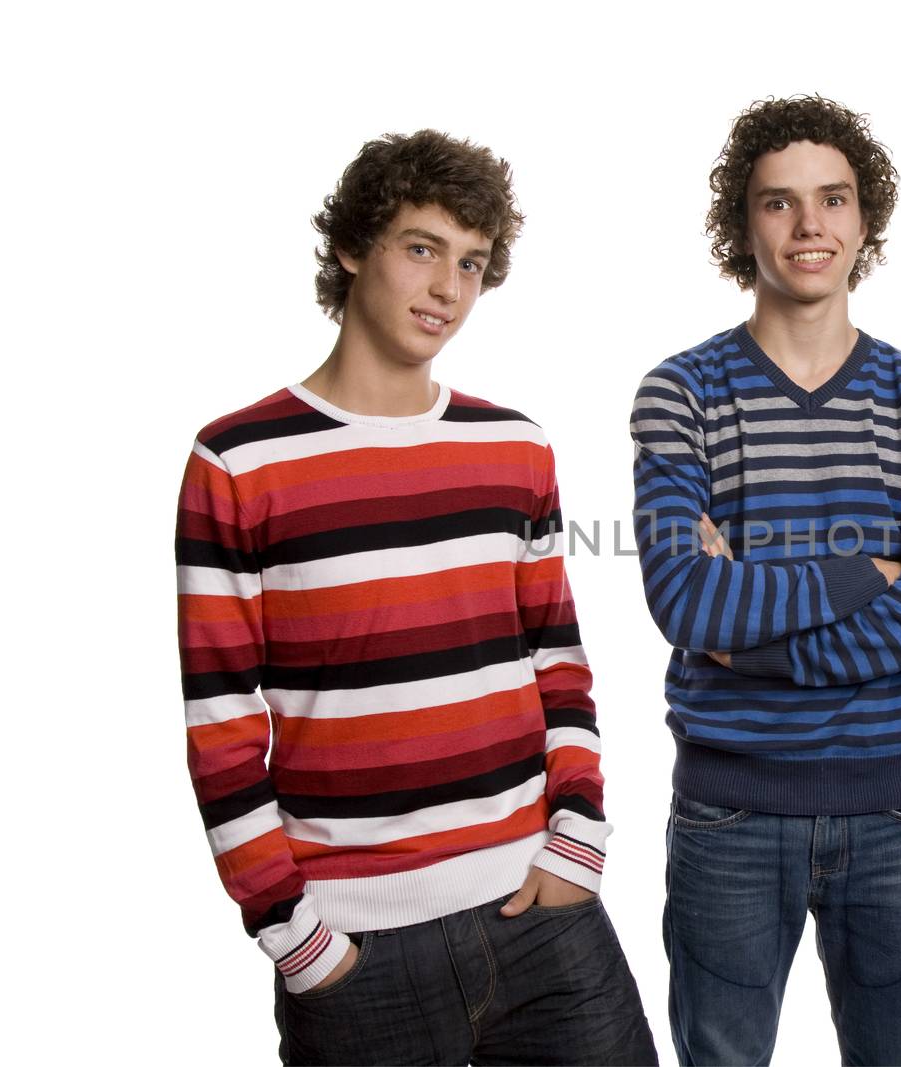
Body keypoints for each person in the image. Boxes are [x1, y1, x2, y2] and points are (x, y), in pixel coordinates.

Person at [175, 129, 656, 1066]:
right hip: (357, 958)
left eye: (472, 263)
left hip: (541, 913)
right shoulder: (237, 460)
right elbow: (222, 732)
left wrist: (577, 844)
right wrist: (301, 943)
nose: (448, 289)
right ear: (354, 246)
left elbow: (559, 663)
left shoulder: (513, 446)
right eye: (422, 248)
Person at [628, 95, 901, 1066]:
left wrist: (747, 637)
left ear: (865, 221)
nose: (809, 225)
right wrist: (864, 571)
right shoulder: (682, 391)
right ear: (742, 226)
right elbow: (684, 601)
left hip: (897, 811)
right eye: (779, 204)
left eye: (832, 200)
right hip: (728, 817)